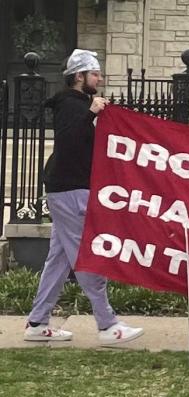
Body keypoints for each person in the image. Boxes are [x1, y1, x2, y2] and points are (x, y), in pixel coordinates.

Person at [23, 49, 144, 346]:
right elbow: (68, 140)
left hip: (68, 188)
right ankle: (107, 325)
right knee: (86, 256)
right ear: (79, 76)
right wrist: (91, 112)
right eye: (95, 74)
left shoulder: (78, 103)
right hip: (69, 191)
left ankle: (38, 322)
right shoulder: (71, 104)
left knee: (59, 259)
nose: (100, 79)